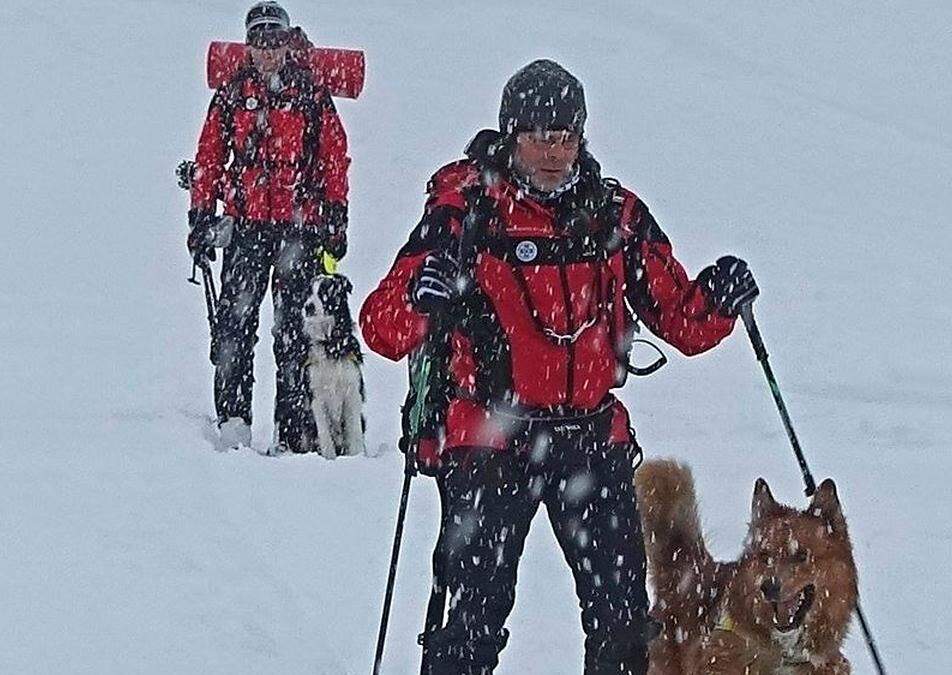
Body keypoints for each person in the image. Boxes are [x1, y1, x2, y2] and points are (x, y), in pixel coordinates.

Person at [359, 59, 759, 674]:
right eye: (540, 135)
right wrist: (420, 301)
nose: (554, 150)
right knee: (471, 624)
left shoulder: (613, 215)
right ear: (511, 134)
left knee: (624, 626)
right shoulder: (466, 213)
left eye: (567, 136)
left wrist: (718, 298)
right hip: (491, 442)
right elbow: (380, 329)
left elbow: (681, 320)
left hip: (591, 441)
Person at [188, 1, 350, 453]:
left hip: (300, 229)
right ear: (248, 45)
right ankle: (234, 419)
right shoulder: (231, 93)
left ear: (286, 42)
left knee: (293, 329)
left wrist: (336, 213)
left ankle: (294, 428)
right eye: (258, 42)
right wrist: (201, 214)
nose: (266, 50)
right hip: (246, 226)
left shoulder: (311, 92)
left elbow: (334, 156)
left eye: (273, 41)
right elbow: (209, 157)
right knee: (234, 324)